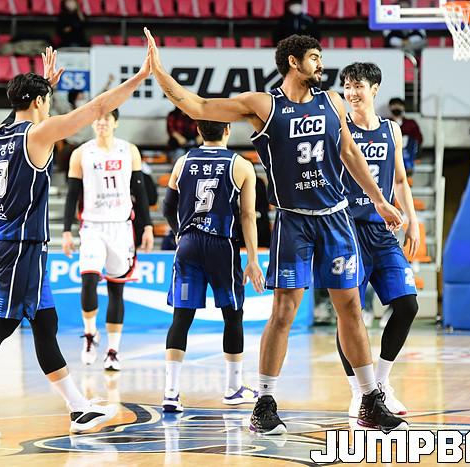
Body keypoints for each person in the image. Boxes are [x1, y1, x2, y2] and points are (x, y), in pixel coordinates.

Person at [146, 29, 407, 434]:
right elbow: (198, 105)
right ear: (293, 62)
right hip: (293, 219)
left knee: (351, 309)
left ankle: (369, 399)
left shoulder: (331, 101)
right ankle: (264, 403)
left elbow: (349, 152)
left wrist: (379, 200)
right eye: (315, 58)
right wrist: (159, 73)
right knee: (283, 311)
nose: (321, 65)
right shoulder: (264, 105)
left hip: (335, 216)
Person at [0, 45, 152, 439]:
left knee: (45, 321)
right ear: (37, 102)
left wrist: (45, 85)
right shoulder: (38, 134)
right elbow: (97, 107)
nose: (50, 106)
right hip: (22, 244)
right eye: (48, 100)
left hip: (9, 241)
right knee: (2, 322)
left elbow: (21, 110)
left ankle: (79, 408)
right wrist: (140, 77)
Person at [159, 120, 265, 412]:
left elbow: (167, 207)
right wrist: (253, 259)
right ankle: (233, 388)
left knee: (181, 317)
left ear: (198, 130)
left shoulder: (182, 162)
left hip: (189, 244)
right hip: (221, 246)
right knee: (232, 315)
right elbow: (248, 216)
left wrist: (179, 232)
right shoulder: (241, 165)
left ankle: (170, 392)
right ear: (227, 130)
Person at [337, 62, 420, 418]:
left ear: (375, 89)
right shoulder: (339, 128)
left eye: (358, 86)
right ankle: (359, 392)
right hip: (347, 230)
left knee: (407, 305)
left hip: (382, 233)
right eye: (347, 86)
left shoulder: (392, 130)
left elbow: (399, 180)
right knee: (350, 312)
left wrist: (412, 222)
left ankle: (381, 384)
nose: (351, 92)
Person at [62, 108, 155, 372]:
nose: (101, 122)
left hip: (121, 227)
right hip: (92, 226)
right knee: (88, 279)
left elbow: (140, 192)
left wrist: (147, 226)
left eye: (106, 119)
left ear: (115, 123)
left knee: (116, 289)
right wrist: (66, 230)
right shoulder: (81, 153)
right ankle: (90, 333)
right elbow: (72, 194)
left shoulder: (129, 151)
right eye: (98, 119)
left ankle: (113, 350)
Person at [388, 97, 422, 176]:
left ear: (403, 107)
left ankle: (407, 169)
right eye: (394, 105)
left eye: (399, 105)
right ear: (390, 108)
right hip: (392, 148)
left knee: (408, 141)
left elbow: (418, 139)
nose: (396, 108)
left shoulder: (411, 123)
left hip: (407, 149)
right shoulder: (385, 122)